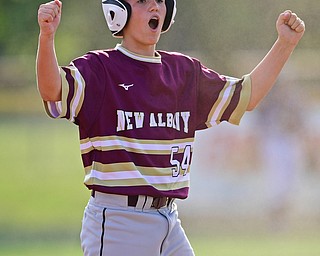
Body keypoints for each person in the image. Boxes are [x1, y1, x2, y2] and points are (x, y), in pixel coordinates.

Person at [36, 0, 305, 255]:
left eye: (161, 0)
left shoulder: (183, 72)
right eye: (141, 1)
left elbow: (246, 96)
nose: (155, 5)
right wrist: (47, 37)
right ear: (116, 11)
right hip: (119, 222)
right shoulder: (100, 69)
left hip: (169, 221)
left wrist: (285, 44)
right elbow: (52, 90)